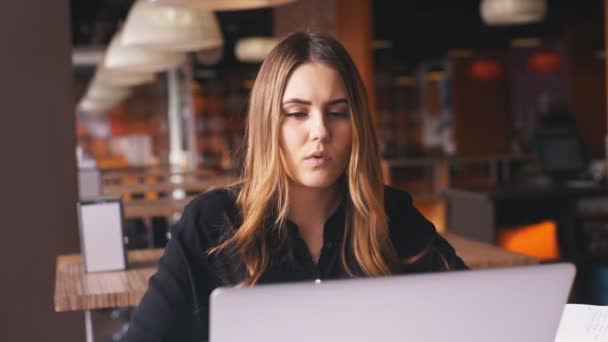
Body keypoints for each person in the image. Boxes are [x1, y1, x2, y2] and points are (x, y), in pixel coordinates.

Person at [122, 32, 467, 342]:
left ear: (356, 126)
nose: (320, 131)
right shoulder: (212, 224)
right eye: (297, 113)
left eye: (337, 113)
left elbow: (472, 310)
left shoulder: (391, 214)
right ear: (268, 124)